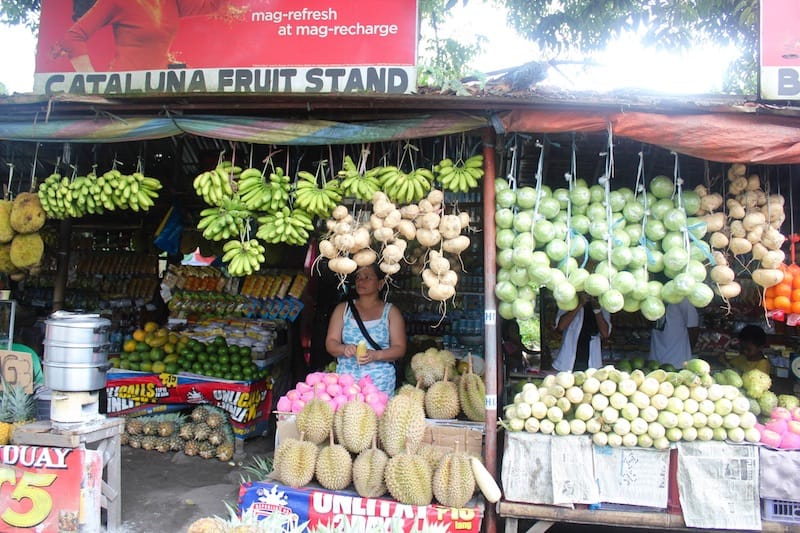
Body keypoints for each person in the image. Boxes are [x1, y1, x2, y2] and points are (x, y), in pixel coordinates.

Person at [52, 0, 229, 72]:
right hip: (124, 94)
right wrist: (91, 81)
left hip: (159, 93)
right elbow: (72, 37)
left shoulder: (172, 2)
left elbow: (215, 5)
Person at [324, 264, 406, 397]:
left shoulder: (391, 312)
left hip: (380, 384)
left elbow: (399, 348)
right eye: (358, 277)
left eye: (367, 277)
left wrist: (375, 355)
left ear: (380, 284)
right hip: (346, 385)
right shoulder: (343, 309)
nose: (361, 281)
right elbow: (331, 343)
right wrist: (344, 349)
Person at [552, 293, 610, 371]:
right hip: (567, 362)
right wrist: (580, 304)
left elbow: (605, 333)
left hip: (591, 362)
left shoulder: (602, 304)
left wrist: (597, 310)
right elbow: (561, 326)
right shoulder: (569, 301)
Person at [650, 298, 699, 368]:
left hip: (676, 363)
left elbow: (693, 328)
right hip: (655, 361)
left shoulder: (682, 299)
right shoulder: (653, 297)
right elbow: (693, 328)